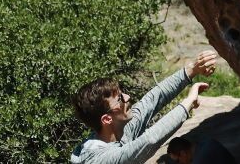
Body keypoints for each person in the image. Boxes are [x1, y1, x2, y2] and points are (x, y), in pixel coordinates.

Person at [70, 51, 217, 164]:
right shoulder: (101, 159)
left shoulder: (120, 130)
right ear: (107, 119)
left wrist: (192, 69)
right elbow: (149, 140)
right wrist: (189, 101)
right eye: (120, 99)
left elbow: (152, 100)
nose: (127, 98)